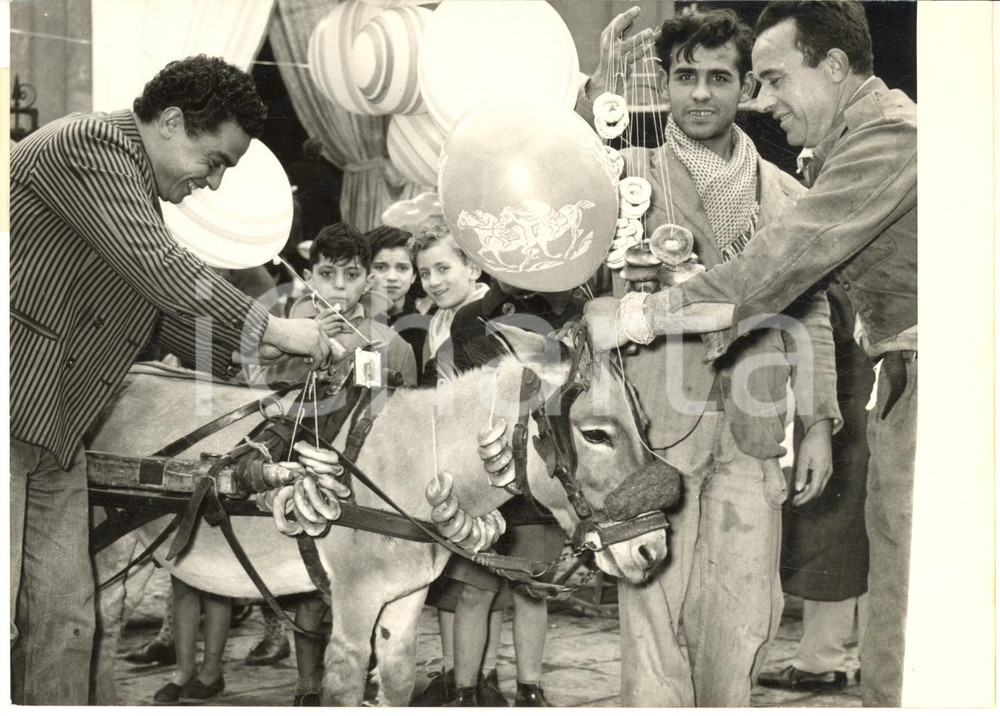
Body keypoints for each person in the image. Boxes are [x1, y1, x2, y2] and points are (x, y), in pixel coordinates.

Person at [585, 1, 916, 707]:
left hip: (756, 424)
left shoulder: (793, 188)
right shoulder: (622, 181)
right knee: (653, 610)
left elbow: (812, 299)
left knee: (745, 612)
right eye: (683, 77)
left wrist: (820, 418)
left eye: (724, 77)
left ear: (743, 89)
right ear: (665, 85)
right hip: (652, 429)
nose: (701, 93)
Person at [10, 54, 330, 705]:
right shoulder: (89, 145)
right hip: (11, 415)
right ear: (173, 120)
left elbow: (149, 318)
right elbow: (160, 271)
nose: (212, 183)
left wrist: (253, 369)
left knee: (68, 621)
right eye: (214, 161)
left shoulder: (130, 182)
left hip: (54, 436)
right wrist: (277, 329)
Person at [254, 222, 417, 705]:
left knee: (364, 598)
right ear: (309, 278)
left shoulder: (392, 344)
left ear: (367, 279)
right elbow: (258, 398)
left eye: (352, 274)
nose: (340, 288)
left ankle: (367, 683)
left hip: (365, 492)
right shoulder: (282, 337)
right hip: (291, 476)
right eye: (328, 274)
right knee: (306, 592)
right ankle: (307, 686)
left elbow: (403, 422)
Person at [758, 282, 872, 692]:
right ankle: (858, 658)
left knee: (829, 537)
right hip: (857, 418)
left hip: (841, 424)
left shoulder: (835, 291)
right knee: (863, 540)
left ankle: (820, 661)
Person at [364, 225, 429, 367]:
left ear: (414, 276)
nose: (392, 277)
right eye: (381, 267)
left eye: (402, 268)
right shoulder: (352, 320)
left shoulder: (424, 330)